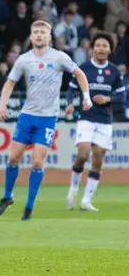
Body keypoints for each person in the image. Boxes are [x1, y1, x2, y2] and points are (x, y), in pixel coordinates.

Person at [0, 20, 93, 221]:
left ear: (49, 37)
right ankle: (7, 196)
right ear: (31, 36)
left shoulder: (59, 57)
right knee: (13, 158)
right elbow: (9, 83)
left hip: (47, 118)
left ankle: (29, 206)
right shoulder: (24, 60)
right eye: (35, 32)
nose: (38, 35)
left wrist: (86, 96)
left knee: (37, 161)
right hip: (27, 116)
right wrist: (2, 105)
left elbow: (79, 73)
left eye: (42, 32)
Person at [64, 33, 125, 211]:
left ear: (110, 50)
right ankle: (73, 189)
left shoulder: (114, 71)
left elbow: (121, 96)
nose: (101, 49)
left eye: (104, 46)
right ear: (92, 48)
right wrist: (69, 104)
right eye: (98, 45)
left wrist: (107, 99)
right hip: (86, 118)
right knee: (82, 155)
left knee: (97, 160)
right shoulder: (83, 68)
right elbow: (71, 89)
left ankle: (86, 201)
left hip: (105, 121)